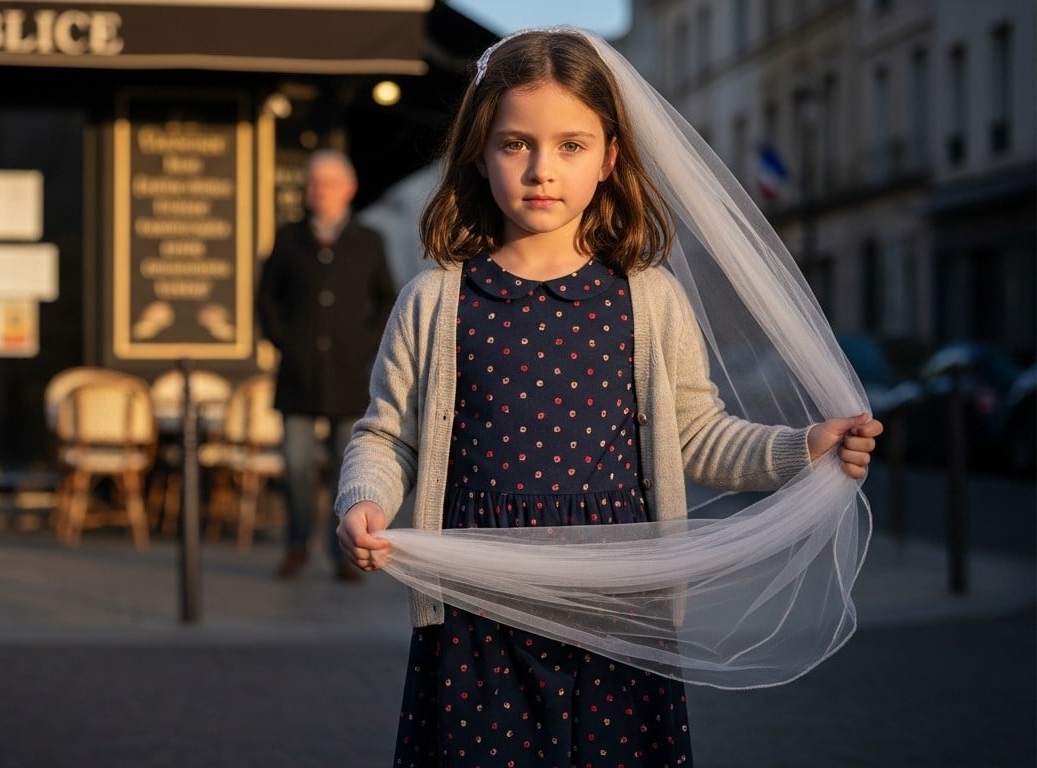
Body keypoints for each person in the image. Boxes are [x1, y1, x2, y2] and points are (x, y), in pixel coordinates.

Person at [333, 28, 884, 766]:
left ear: (609, 157)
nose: (540, 169)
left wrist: (799, 448)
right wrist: (361, 500)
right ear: (479, 152)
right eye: (514, 144)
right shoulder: (436, 300)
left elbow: (697, 433)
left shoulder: (648, 299)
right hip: (479, 610)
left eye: (570, 145)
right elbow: (387, 435)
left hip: (623, 612)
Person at [256, 149, 396, 582]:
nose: (321, 191)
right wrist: (285, 341)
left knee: (346, 465)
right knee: (296, 465)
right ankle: (297, 546)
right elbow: (266, 298)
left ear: (349, 189)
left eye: (330, 183)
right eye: (315, 183)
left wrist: (365, 345)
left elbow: (387, 299)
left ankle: (343, 554)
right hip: (298, 375)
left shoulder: (368, 240)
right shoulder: (289, 236)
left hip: (349, 374)